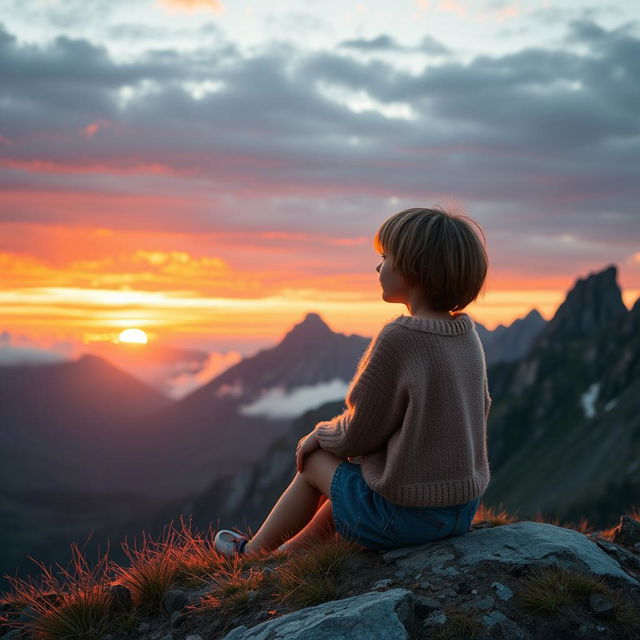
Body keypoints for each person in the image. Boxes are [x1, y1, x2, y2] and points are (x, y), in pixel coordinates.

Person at [214, 206, 491, 557]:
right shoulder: (467, 336)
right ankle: (286, 558)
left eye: (385, 257)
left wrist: (319, 435)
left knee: (315, 462)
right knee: (356, 478)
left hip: (407, 520)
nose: (378, 267)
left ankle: (251, 554)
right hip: (459, 513)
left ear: (412, 268)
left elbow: (360, 431)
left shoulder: (401, 337)